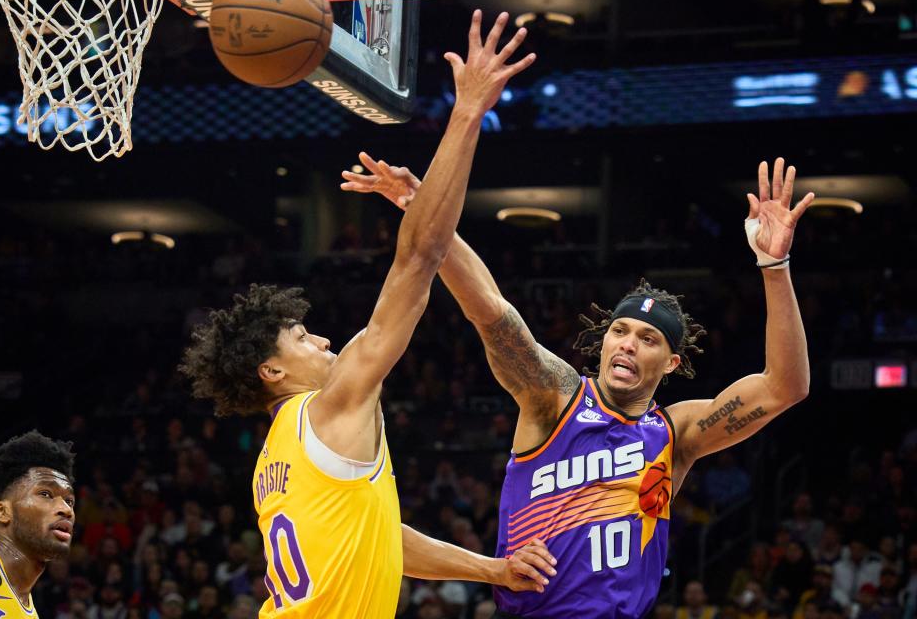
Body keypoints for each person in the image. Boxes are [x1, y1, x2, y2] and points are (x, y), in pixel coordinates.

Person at [179, 11, 552, 618]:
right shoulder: (332, 407)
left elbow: (386, 540)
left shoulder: (272, 461)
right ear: (271, 370)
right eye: (300, 336)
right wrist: (466, 113)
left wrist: (491, 569)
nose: (323, 340)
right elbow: (418, 258)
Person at [342, 155, 814, 618]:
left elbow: (784, 387)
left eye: (646, 339)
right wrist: (426, 206)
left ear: (670, 362)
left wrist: (775, 266)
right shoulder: (556, 396)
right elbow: (488, 308)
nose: (628, 345)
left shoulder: (676, 433)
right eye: (620, 331)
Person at [0, 430, 76, 618]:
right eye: (45, 494)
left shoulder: (30, 613)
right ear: (2, 512)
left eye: (69, 501)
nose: (66, 510)